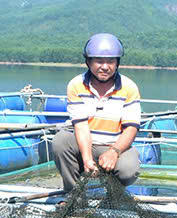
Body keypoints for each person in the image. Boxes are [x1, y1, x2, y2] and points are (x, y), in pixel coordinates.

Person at [51, 33, 142, 194]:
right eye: (99, 61)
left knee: (129, 169)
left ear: (117, 63)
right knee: (61, 140)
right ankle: (73, 194)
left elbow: (131, 128)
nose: (105, 67)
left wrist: (114, 152)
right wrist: (87, 159)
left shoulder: (129, 87)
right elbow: (81, 126)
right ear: (88, 62)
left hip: (114, 145)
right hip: (86, 144)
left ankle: (114, 194)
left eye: (111, 61)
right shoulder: (76, 85)